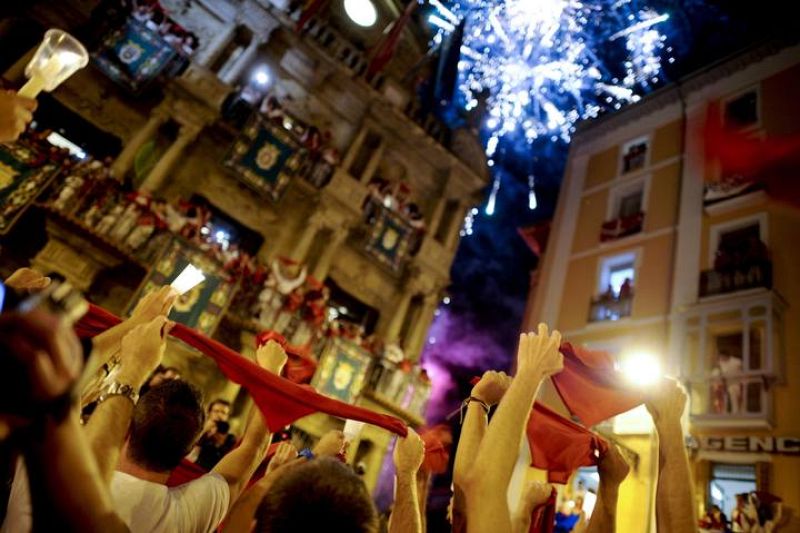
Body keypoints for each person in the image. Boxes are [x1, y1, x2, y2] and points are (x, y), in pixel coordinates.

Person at [191, 399, 237, 470]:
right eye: (216, 411)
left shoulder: (230, 438)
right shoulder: (198, 428)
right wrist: (204, 430)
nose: (219, 415)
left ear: (227, 417)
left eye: (223, 412)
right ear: (209, 413)